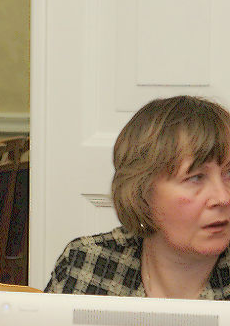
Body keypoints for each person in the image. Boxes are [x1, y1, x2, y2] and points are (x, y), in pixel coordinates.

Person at [46, 95, 230, 298]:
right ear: (142, 190)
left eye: (229, 173)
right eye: (195, 178)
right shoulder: (87, 263)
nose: (223, 197)